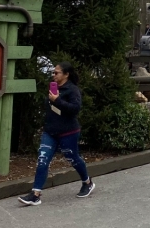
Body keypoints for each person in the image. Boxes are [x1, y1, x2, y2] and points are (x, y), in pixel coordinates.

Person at [18, 61, 95, 206]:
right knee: (42, 159)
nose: (53, 75)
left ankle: (87, 182)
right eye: (53, 72)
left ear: (66, 74)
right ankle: (35, 194)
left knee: (73, 159)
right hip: (50, 132)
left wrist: (57, 100)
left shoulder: (72, 90)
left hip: (68, 132)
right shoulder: (53, 88)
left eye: (56, 73)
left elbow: (75, 109)